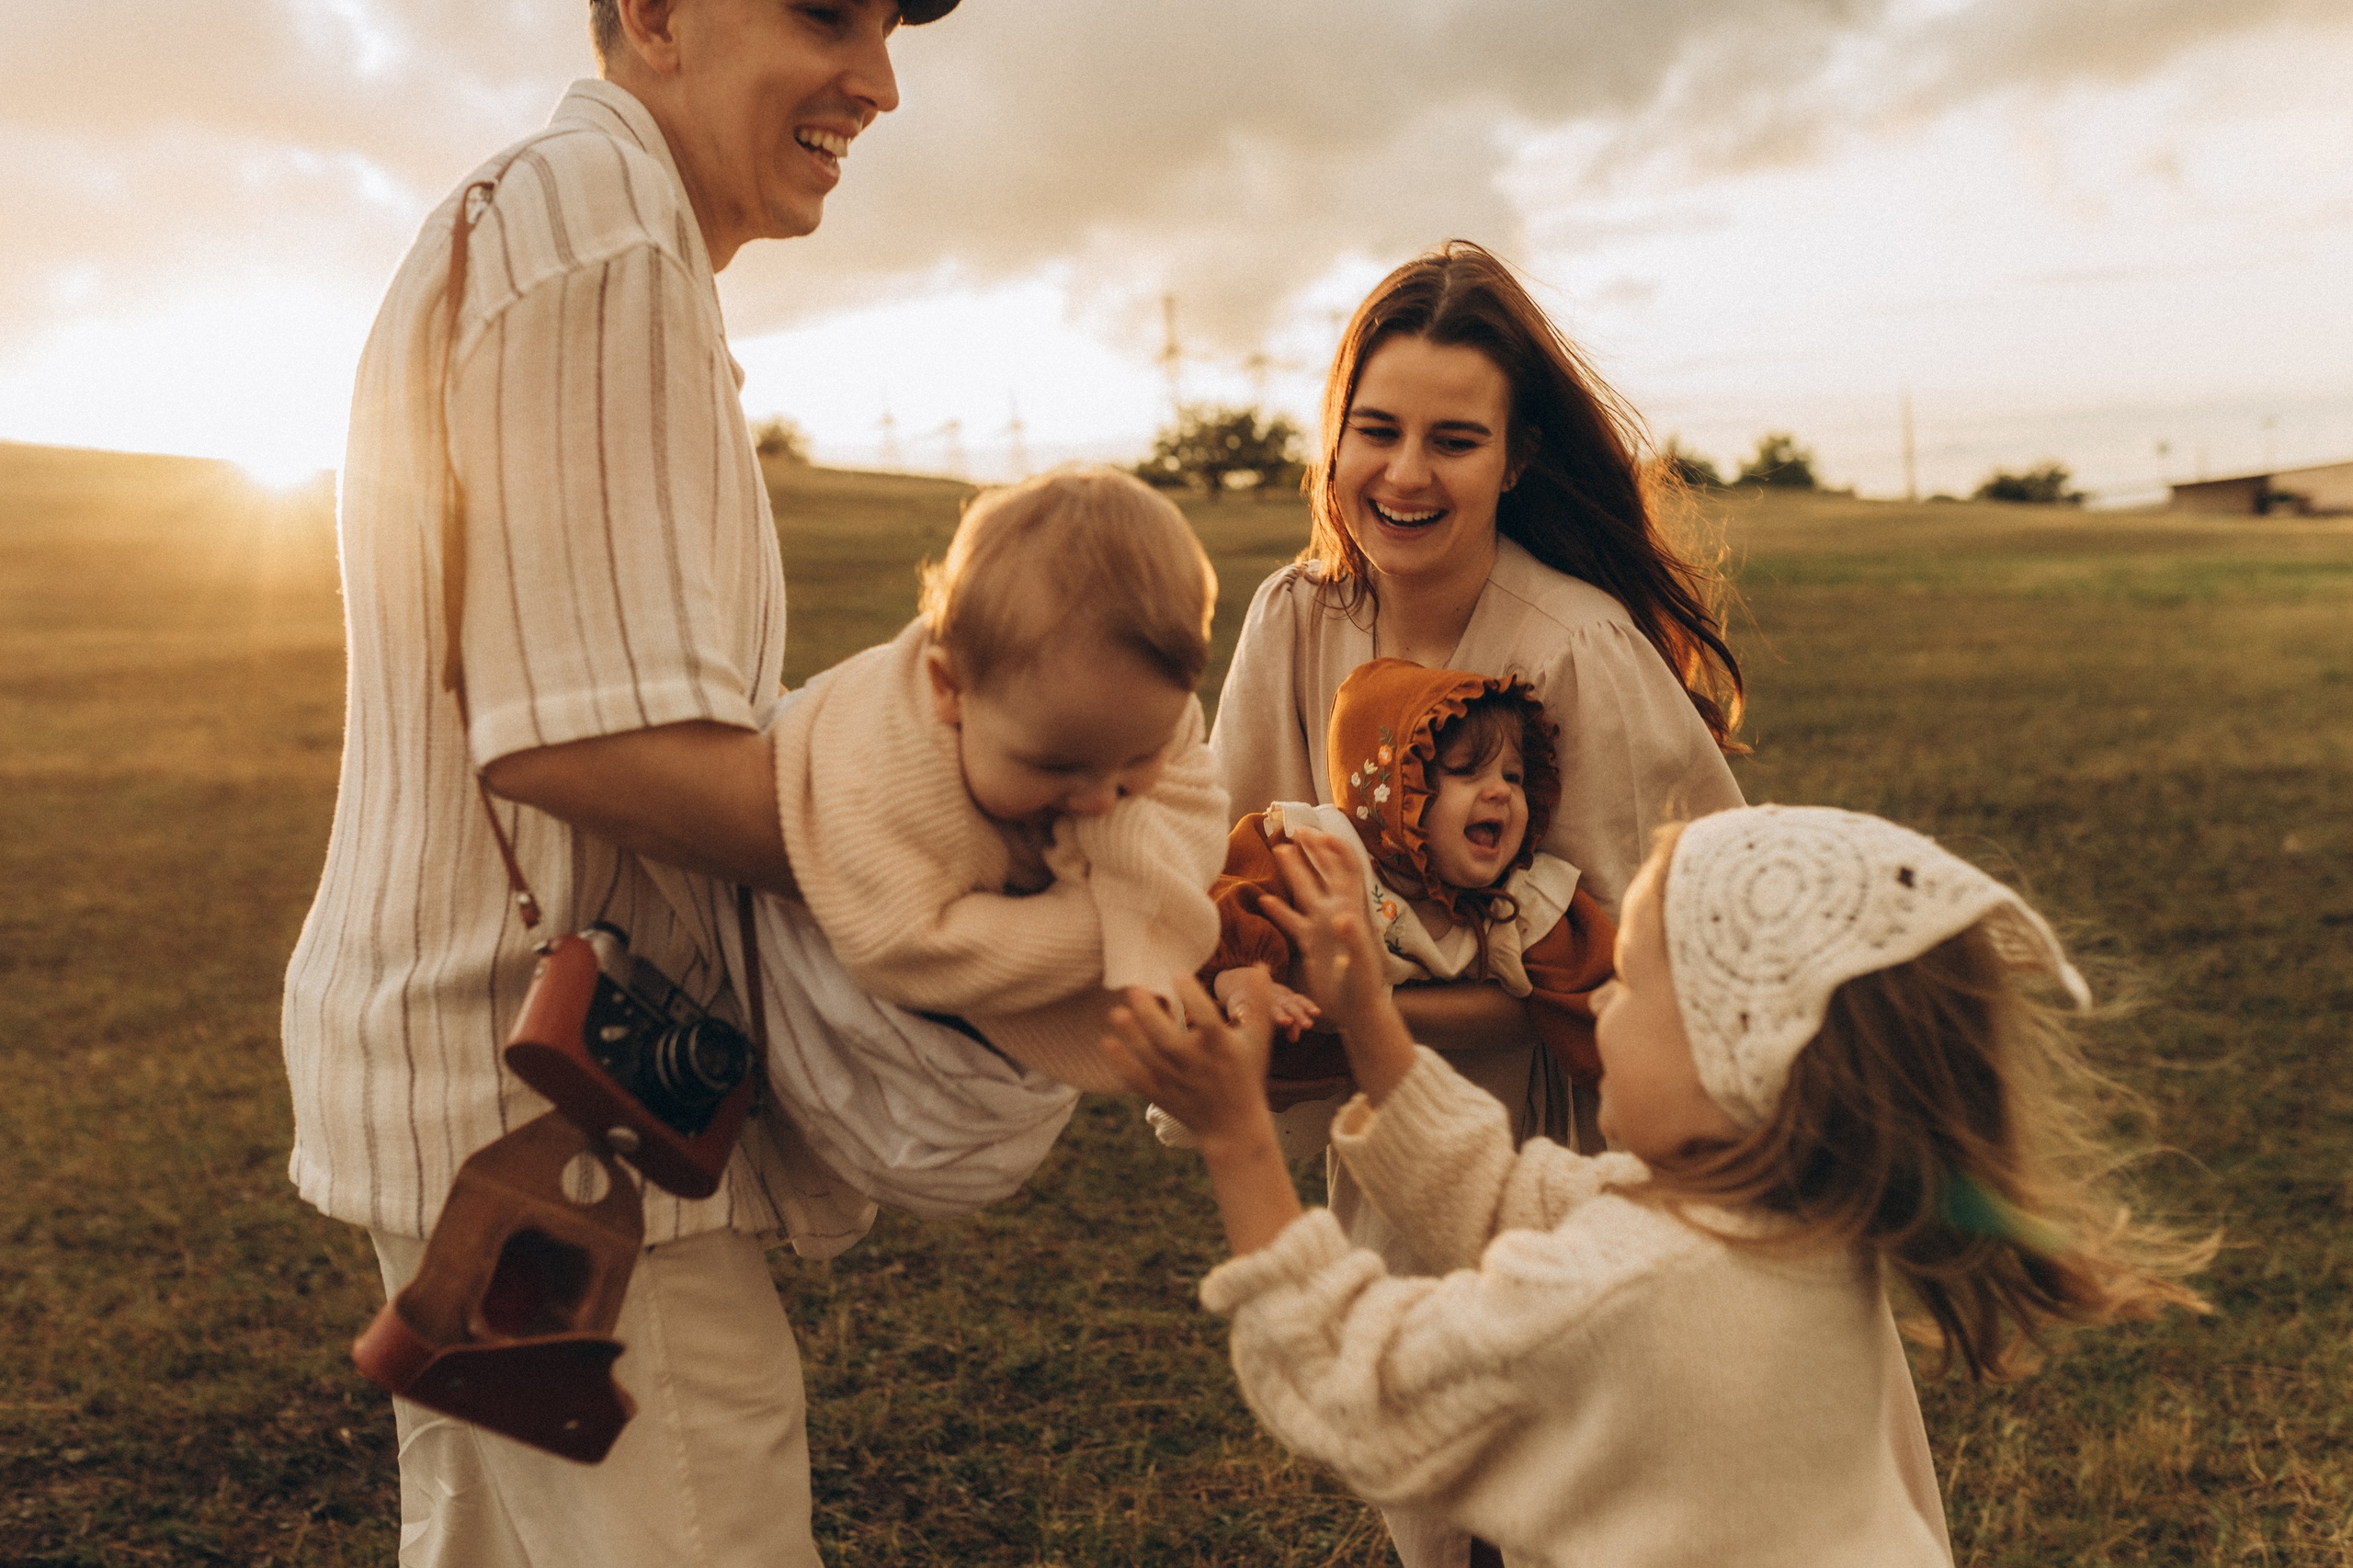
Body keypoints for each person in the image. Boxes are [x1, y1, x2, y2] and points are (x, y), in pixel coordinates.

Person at [280, 3, 979, 1563]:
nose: (877, 78)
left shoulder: (540, 214)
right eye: (823, 13)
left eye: (885, 24)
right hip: (565, 1131)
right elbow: (579, 744)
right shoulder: (606, 244)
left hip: (491, 1091)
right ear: (653, 13)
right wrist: (960, 849)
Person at [1107, 805, 2211, 1568]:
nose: (1595, 1006)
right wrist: (1371, 1024)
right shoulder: (1791, 1216)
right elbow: (1516, 1197)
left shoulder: (1638, 1286)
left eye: (1630, 979)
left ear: (1746, 1056)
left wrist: (1239, 1136)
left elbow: (1360, 1383)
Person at [1205, 239, 1747, 1564]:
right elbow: (1235, 867)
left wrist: (1366, 1006)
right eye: (1374, 430)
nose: (1403, 473)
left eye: (1454, 439)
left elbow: (1640, 978)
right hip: (1388, 1130)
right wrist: (1252, 981)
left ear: (1515, 462)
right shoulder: (1295, 615)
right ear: (1330, 443)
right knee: (1433, 1482)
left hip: (1566, 1148)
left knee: (1563, 1497)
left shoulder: (1575, 648)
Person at [765, 466, 1229, 1092]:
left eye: (1137, 758)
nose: (1098, 800)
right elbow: (900, 943)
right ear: (949, 689)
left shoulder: (1133, 706)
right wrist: (1102, 924)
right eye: (1055, 766)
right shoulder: (885, 770)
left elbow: (1195, 804)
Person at [1181, 661, 1614, 1163]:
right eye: (1465, 772)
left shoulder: (1518, 902)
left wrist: (1624, 1065)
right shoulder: (1334, 857)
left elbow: (1589, 991)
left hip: (1441, 1114)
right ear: (1395, 790)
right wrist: (1241, 979)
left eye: (1513, 776)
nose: (1500, 791)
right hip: (1293, 1070)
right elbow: (1235, 897)